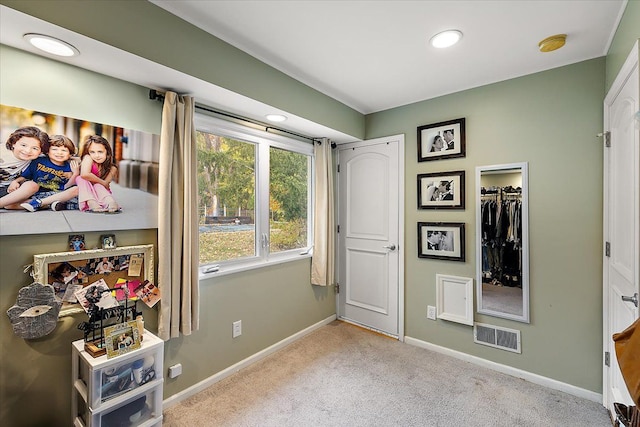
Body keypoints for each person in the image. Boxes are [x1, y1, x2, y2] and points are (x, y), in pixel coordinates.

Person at [16, 135, 80, 212]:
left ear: (70, 153)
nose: (59, 153)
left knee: (76, 191)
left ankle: (45, 204)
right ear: (47, 151)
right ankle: (47, 204)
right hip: (39, 194)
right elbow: (26, 176)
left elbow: (68, 187)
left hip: (60, 194)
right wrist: (15, 181)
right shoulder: (38, 161)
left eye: (64, 150)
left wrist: (75, 173)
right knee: (10, 205)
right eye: (54, 149)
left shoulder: (71, 166)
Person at [0, 126, 49, 209]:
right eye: (23, 145)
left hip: (11, 192)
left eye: (35, 148)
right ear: (14, 143)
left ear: (41, 151)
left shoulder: (39, 158)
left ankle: (4, 204)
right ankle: (12, 205)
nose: (27, 151)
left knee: (33, 185)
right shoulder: (2, 152)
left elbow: (61, 157)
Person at [76, 135, 120, 213]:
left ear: (107, 151)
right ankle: (91, 202)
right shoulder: (88, 158)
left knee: (97, 185)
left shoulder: (112, 168)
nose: (96, 155)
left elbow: (105, 185)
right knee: (80, 179)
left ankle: (111, 203)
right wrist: (102, 182)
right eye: (92, 152)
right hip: (86, 192)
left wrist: (101, 183)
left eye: (100, 152)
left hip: (102, 194)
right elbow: (84, 174)